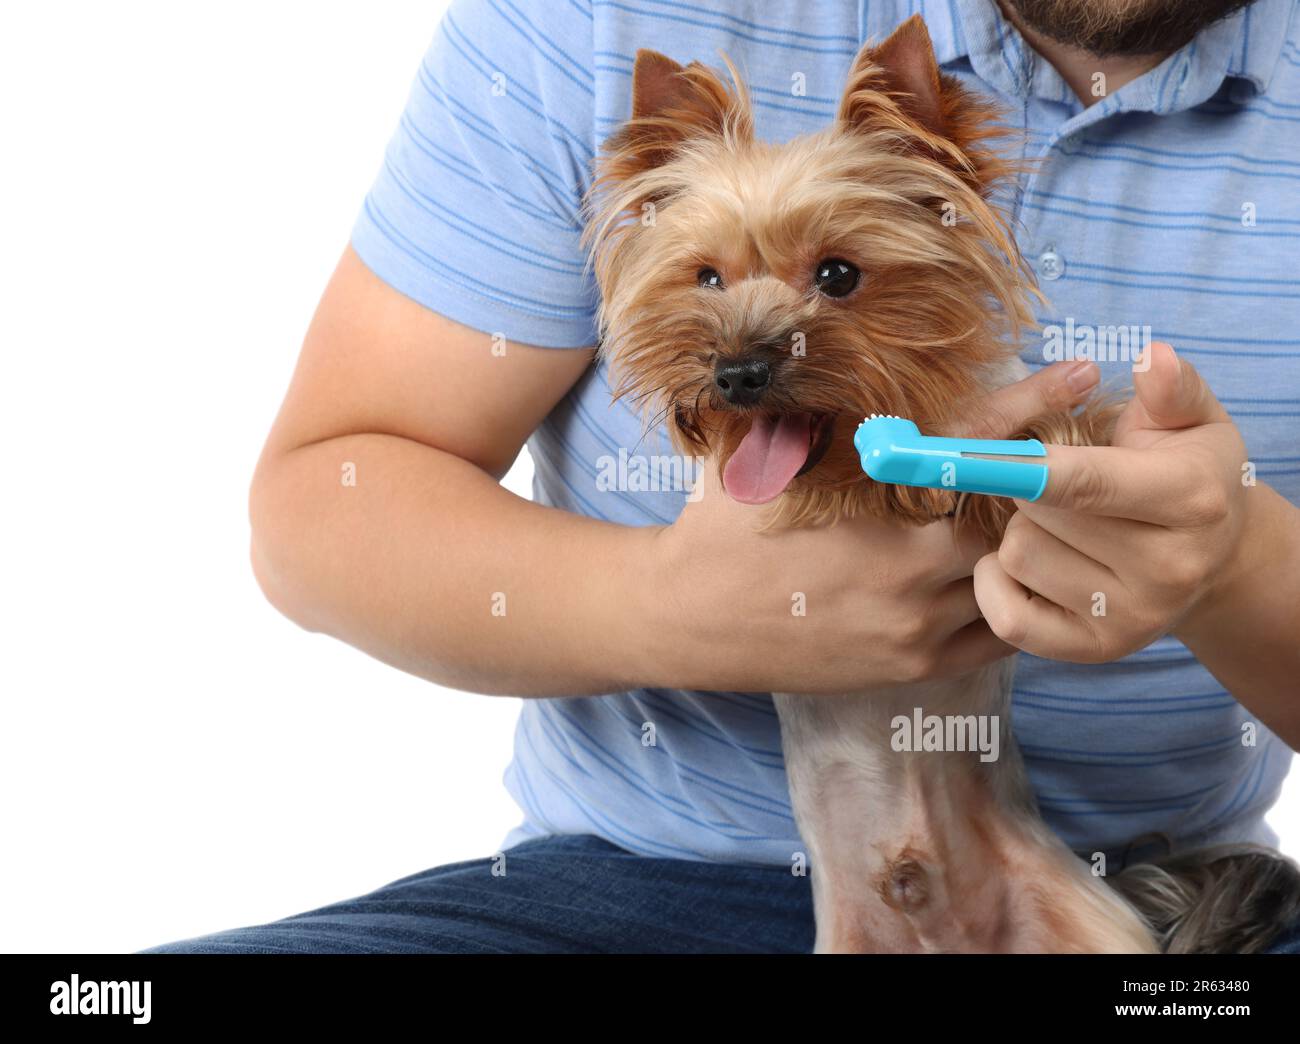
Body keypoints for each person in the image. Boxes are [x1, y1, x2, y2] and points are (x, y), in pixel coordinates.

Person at [140, 0, 1300, 953]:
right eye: (702, 283)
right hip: (629, 885)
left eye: (836, 276)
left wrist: (1236, 565)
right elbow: (314, 509)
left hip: (1122, 886)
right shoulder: (580, 21)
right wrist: (664, 607)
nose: (751, 348)